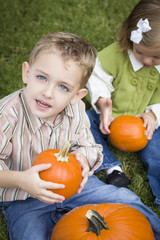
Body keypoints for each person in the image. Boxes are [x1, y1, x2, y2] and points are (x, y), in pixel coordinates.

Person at [0, 31, 160, 240]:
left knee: (125, 200)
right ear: (26, 72)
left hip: (76, 187)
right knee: (30, 234)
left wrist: (83, 158)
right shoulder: (7, 116)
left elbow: (89, 147)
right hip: (23, 196)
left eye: (63, 87)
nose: (47, 93)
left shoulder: (75, 111)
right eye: (41, 77)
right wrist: (22, 180)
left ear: (77, 95)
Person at [86, 0, 160, 208]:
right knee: (82, 121)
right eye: (140, 53)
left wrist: (154, 115)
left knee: (158, 153)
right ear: (130, 37)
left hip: (145, 125)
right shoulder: (115, 55)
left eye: (156, 57)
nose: (147, 61)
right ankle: (113, 169)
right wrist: (102, 103)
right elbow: (96, 78)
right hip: (109, 118)